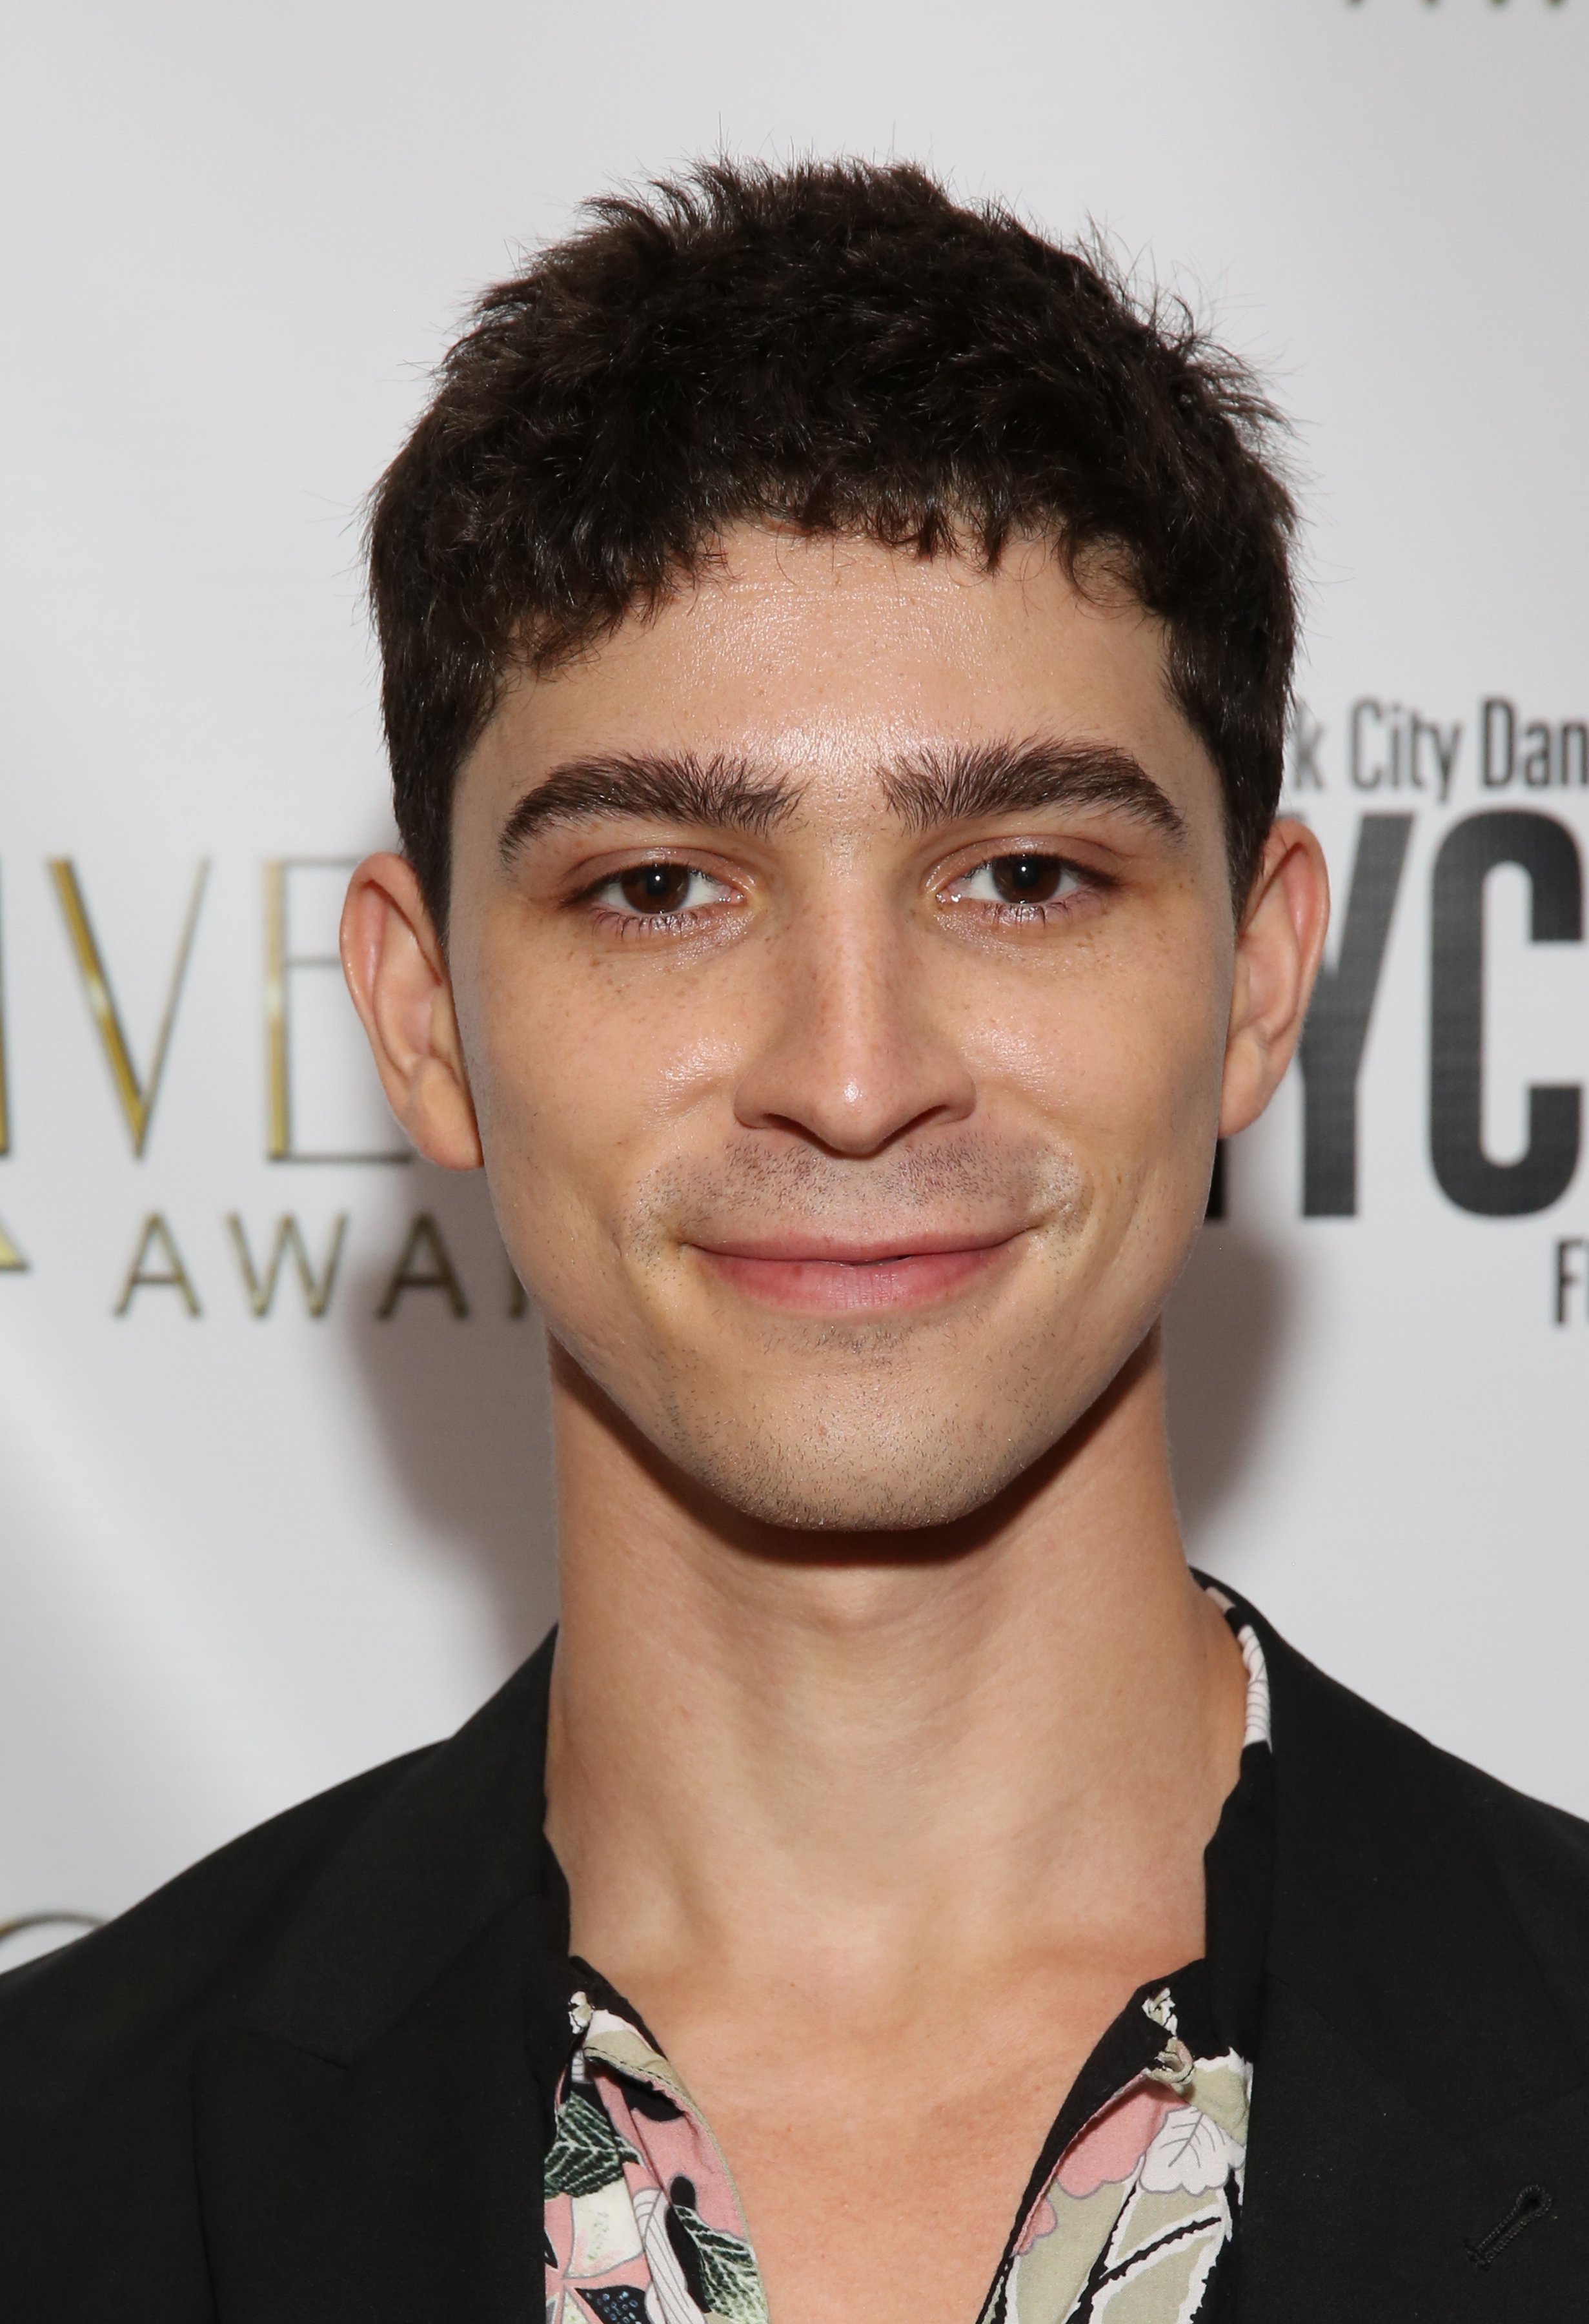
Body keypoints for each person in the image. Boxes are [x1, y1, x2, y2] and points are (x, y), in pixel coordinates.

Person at [2, 159, 1584, 2322]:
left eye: (1022, 874)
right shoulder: (58, 2172)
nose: (854, 1075)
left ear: (1258, 979)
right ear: (420, 1018)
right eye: (660, 886)